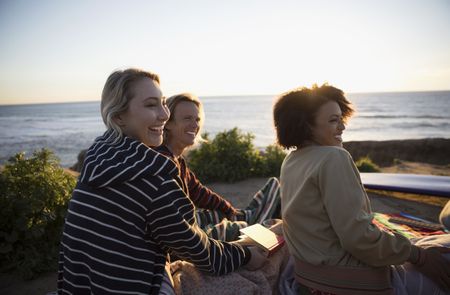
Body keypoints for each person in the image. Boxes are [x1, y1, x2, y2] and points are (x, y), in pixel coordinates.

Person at [57, 69, 266, 295]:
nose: (164, 115)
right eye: (150, 105)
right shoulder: (154, 176)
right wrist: (246, 255)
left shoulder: (98, 157)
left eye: (163, 103)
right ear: (118, 116)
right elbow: (202, 253)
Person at [273, 84, 450, 294]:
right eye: (333, 120)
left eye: (341, 119)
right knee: (440, 255)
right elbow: (358, 238)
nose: (342, 127)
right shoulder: (333, 158)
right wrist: (419, 257)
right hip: (353, 282)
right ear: (306, 125)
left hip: (310, 278)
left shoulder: (291, 161)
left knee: (429, 242)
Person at [155, 93, 281, 241]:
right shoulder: (164, 162)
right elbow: (175, 224)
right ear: (167, 123)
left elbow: (199, 192)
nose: (195, 125)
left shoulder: (177, 160)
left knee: (272, 187)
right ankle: (256, 223)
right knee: (240, 226)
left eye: (197, 119)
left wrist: (228, 209)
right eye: (187, 118)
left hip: (187, 225)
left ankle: (250, 218)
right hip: (181, 238)